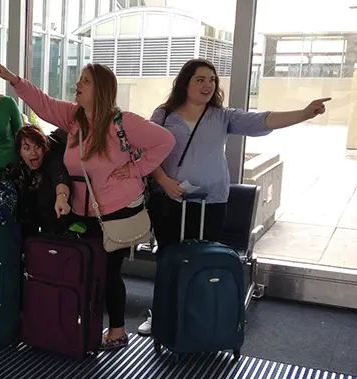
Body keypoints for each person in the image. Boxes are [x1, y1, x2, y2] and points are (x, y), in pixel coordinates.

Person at [137, 58, 330, 336]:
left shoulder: (221, 115)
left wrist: (304, 113)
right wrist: (164, 181)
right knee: (169, 259)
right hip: (170, 200)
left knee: (205, 260)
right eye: (200, 79)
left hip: (212, 201)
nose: (207, 85)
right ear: (185, 83)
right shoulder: (165, 114)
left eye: (212, 80)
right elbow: (147, 149)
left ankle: (198, 317)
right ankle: (163, 315)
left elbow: (262, 119)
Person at [0, 58, 175, 350]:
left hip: (116, 211)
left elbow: (165, 140)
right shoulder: (75, 119)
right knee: (86, 269)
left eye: (85, 81)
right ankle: (82, 326)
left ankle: (116, 331)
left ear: (101, 89)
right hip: (83, 210)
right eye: (79, 80)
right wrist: (12, 78)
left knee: (108, 272)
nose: (78, 85)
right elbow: (43, 103)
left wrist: (137, 168)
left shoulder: (122, 122)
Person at [0, 125, 72, 237]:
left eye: (37, 146)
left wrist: (62, 197)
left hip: (57, 218)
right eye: (26, 148)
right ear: (19, 152)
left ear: (44, 147)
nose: (33, 153)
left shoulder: (53, 158)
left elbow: (60, 176)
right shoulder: (18, 169)